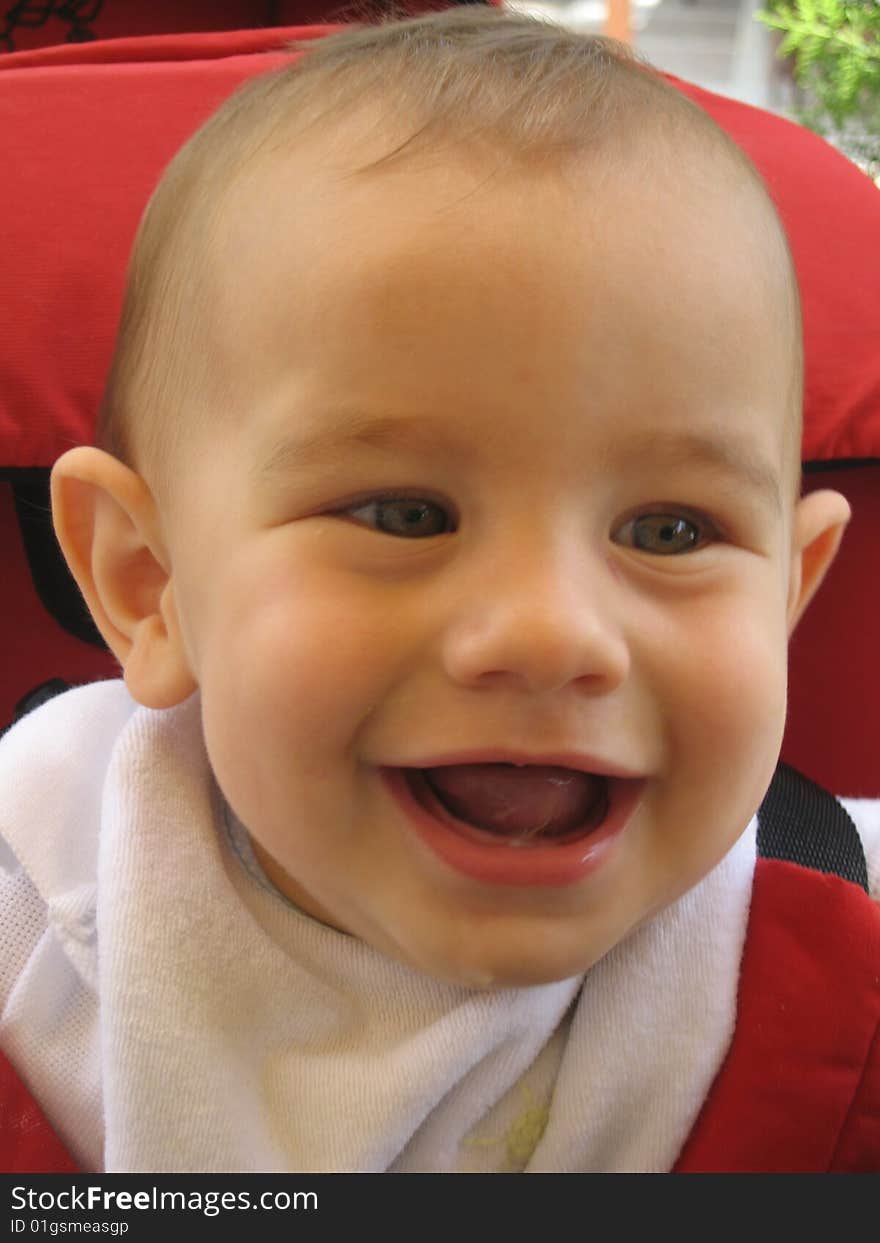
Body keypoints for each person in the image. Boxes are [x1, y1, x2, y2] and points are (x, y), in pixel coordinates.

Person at [0, 7, 877, 1173]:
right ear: (146, 581)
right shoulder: (35, 953)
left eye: (669, 529)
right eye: (404, 515)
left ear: (787, 595)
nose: (553, 631)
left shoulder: (831, 996)